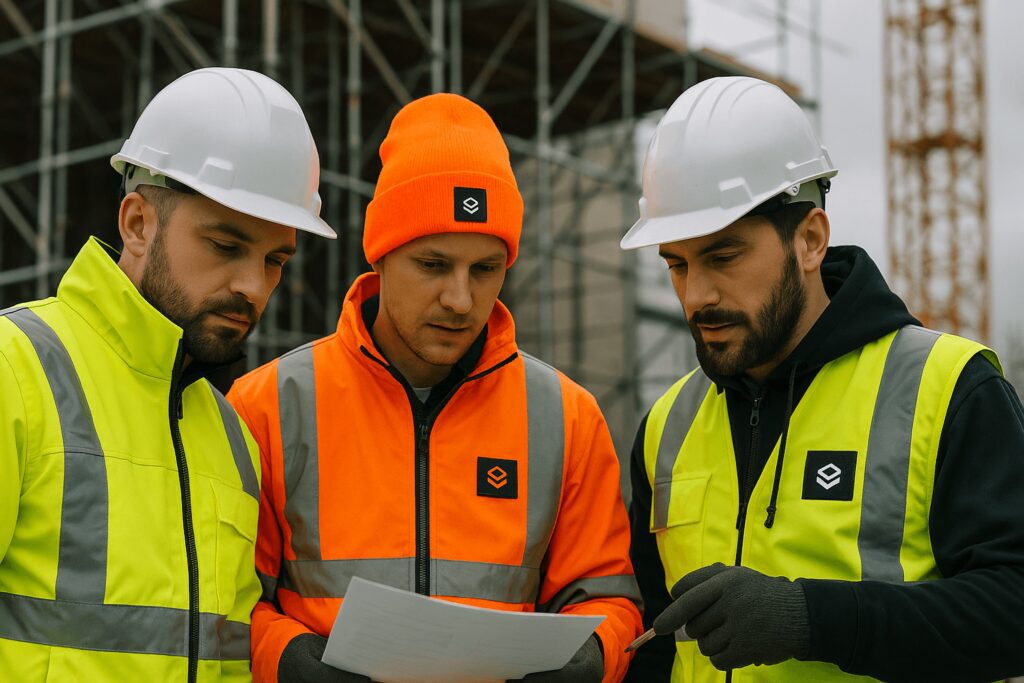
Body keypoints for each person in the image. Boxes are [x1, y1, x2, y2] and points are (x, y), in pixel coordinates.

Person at [227, 92, 643, 683]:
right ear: (381, 256)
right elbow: (226, 598)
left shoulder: (567, 417)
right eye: (432, 264)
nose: (460, 300)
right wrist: (287, 659)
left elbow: (608, 597)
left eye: (485, 269)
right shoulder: (268, 405)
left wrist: (593, 657)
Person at [621, 76, 1024, 682]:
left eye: (723, 257)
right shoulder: (666, 427)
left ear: (809, 239)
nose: (697, 295)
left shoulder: (947, 389)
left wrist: (814, 618)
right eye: (676, 265)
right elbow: (656, 640)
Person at [0, 67, 335, 682]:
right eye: (226, 246)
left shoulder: (232, 438)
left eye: (275, 260)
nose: (253, 287)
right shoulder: (14, 368)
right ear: (136, 224)